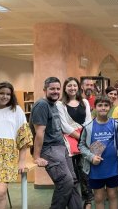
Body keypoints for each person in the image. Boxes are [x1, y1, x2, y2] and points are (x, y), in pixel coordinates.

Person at [30, 77, 82, 209]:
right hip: (49, 149)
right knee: (66, 182)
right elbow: (39, 133)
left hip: (61, 147)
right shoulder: (41, 105)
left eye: (58, 89)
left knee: (73, 182)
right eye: (52, 89)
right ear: (45, 90)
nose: (55, 91)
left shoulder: (55, 104)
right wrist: (36, 157)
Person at [79, 96, 118, 209]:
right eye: (100, 105)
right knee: (99, 198)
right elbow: (81, 145)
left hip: (113, 168)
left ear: (110, 107)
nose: (103, 108)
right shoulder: (88, 126)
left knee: (113, 195)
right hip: (96, 170)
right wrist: (91, 157)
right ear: (95, 107)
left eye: (106, 105)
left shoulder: (115, 124)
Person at [57, 77, 93, 208]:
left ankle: (88, 201)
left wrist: (85, 138)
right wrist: (80, 137)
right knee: (72, 175)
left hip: (85, 139)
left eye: (74, 86)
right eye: (69, 86)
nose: (72, 88)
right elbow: (64, 125)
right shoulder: (60, 104)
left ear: (79, 87)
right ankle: (73, 203)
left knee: (85, 172)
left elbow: (89, 120)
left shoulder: (84, 102)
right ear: (65, 88)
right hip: (69, 141)